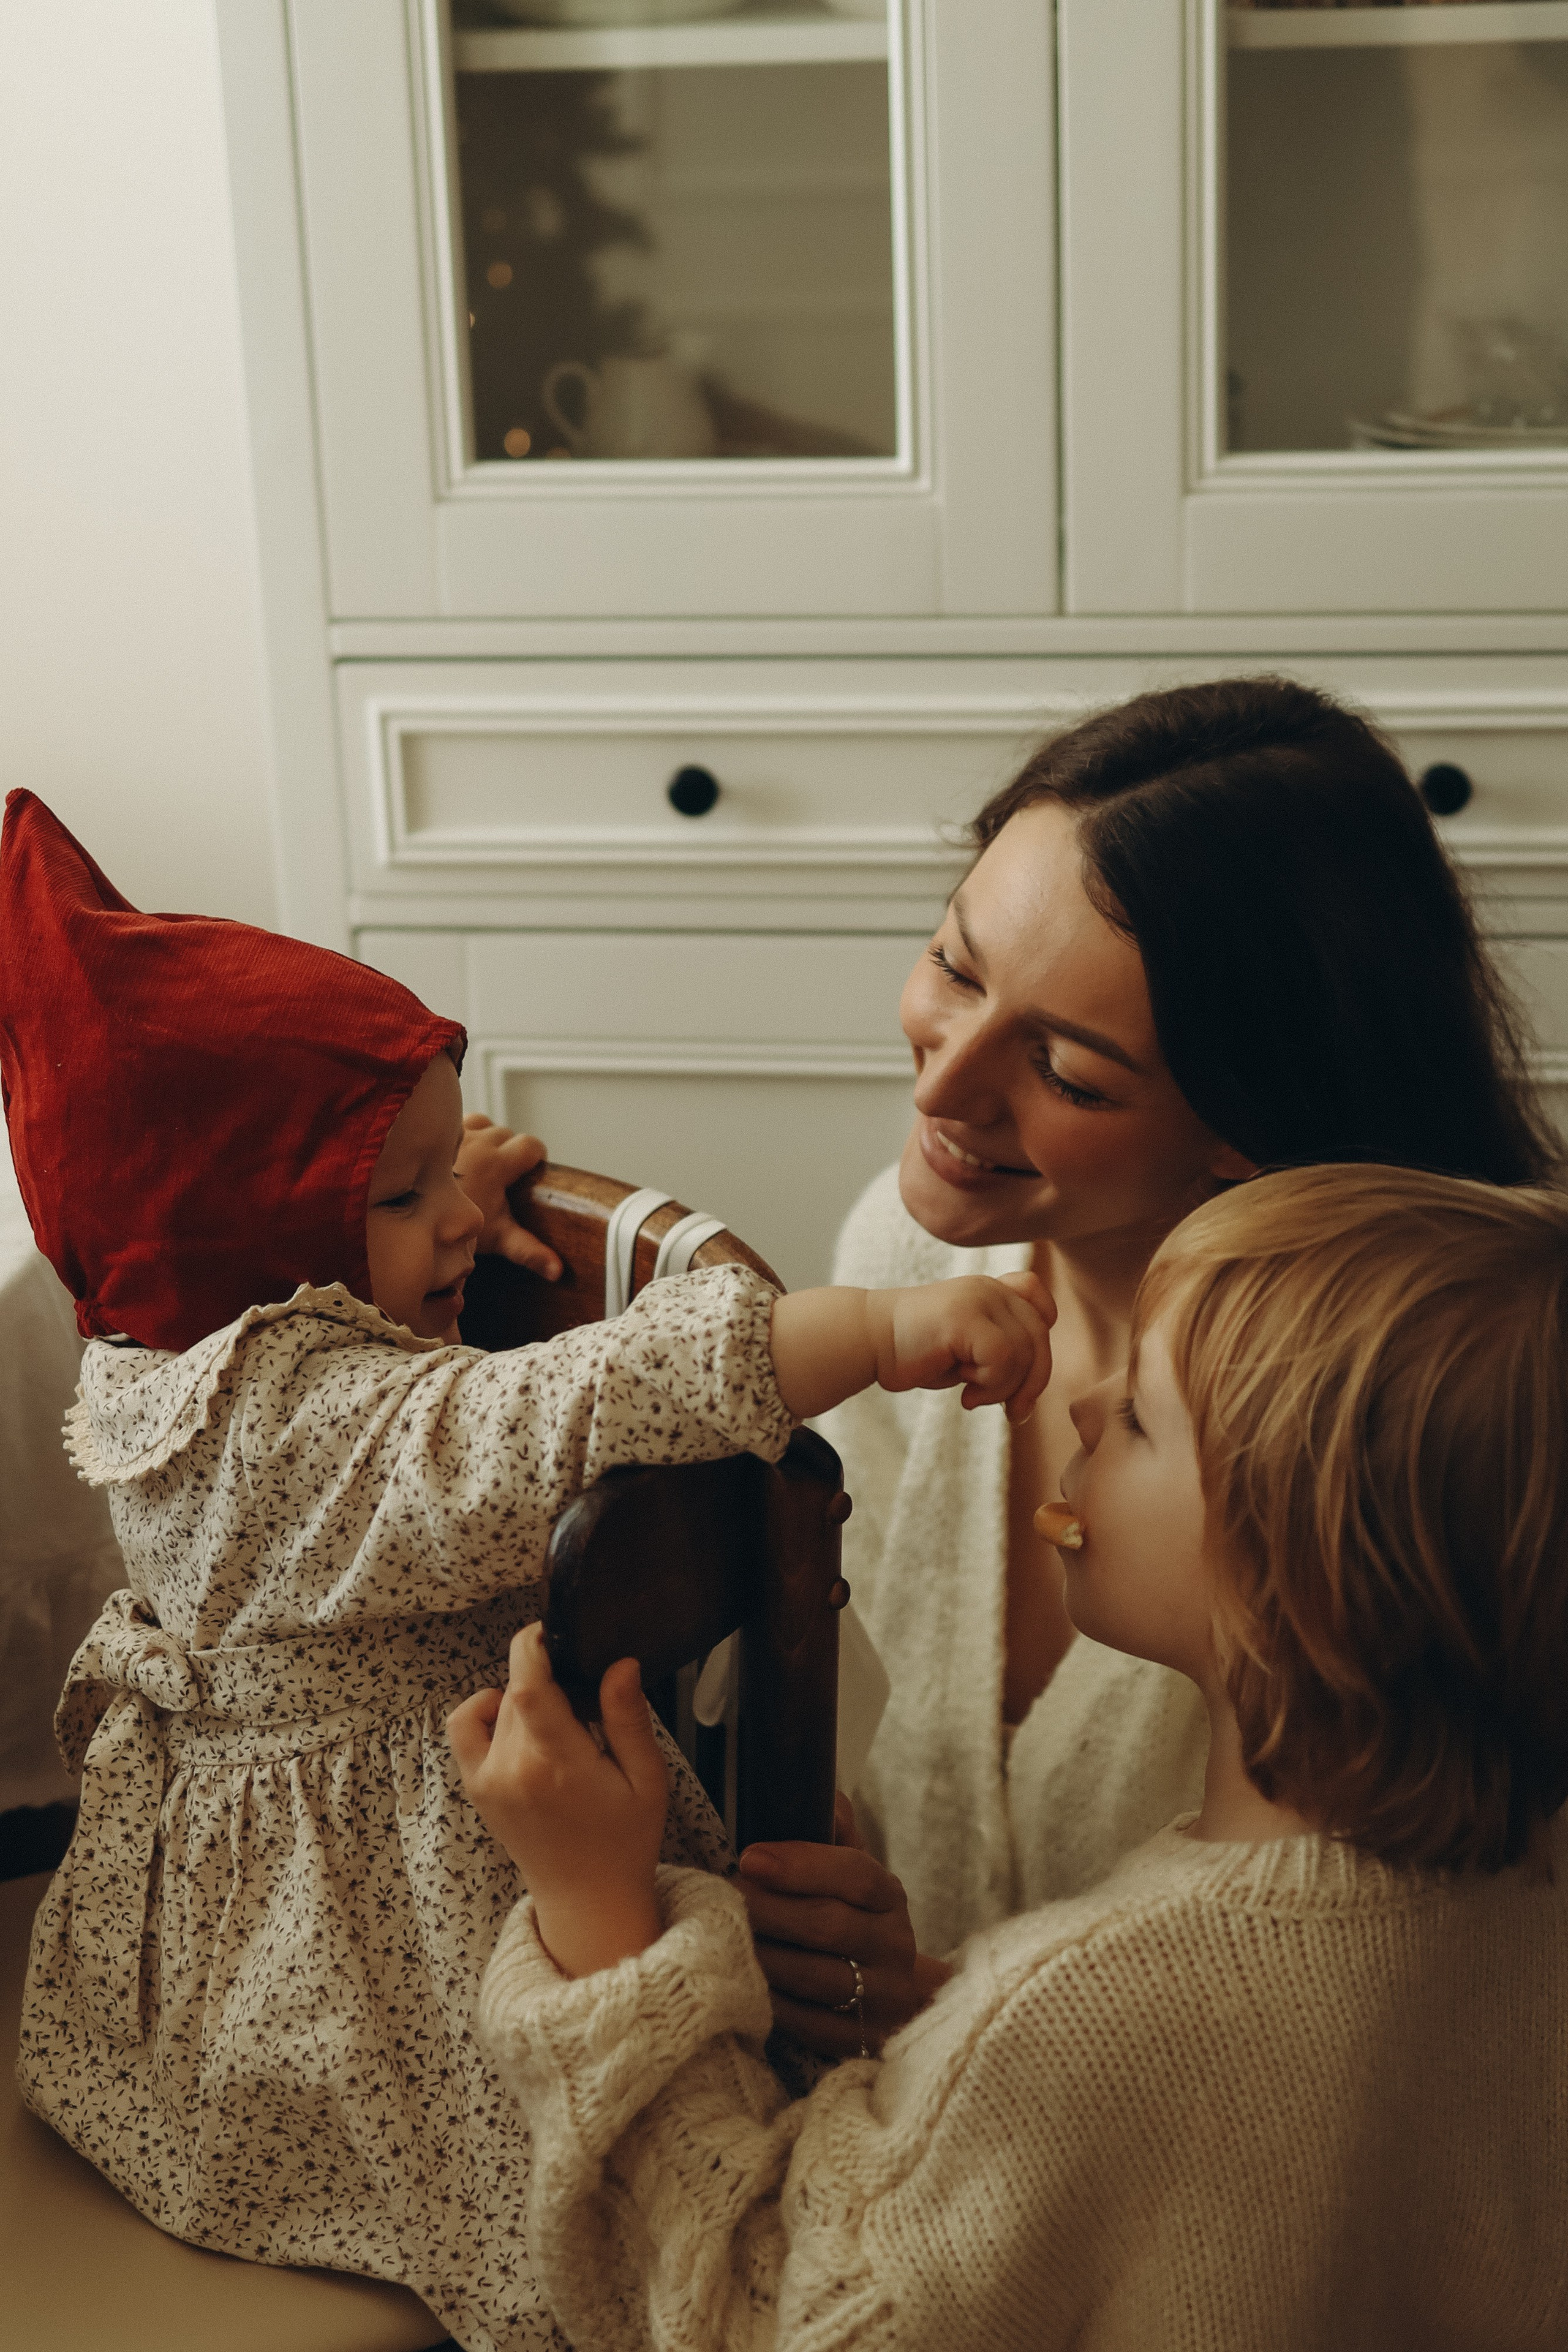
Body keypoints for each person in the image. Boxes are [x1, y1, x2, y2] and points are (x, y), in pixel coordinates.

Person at [5, 791, 1051, 2352]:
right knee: (501, 2183)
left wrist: (428, 1188)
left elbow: (360, 1262)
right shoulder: (328, 1432)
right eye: (401, 1196)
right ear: (273, 1238)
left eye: (446, 1173)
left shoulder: (161, 1345)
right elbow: (569, 1404)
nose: (457, 1223)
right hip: (379, 1904)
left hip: (227, 1848)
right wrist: (879, 1331)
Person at [454, 1162, 1568, 2352]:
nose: (1084, 1406)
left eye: (1141, 1417)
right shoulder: (1524, 1908)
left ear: (1300, 1589)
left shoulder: (1074, 2016)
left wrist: (598, 1918)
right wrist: (946, 2030)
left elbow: (753, 2317)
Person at [760, 674, 1558, 2056]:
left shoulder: (1417, 1439)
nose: (941, 1088)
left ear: (1245, 1123)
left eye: (1064, 1071)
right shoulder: (901, 1260)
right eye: (955, 965)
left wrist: (956, 2014)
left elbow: (1423, 1993)